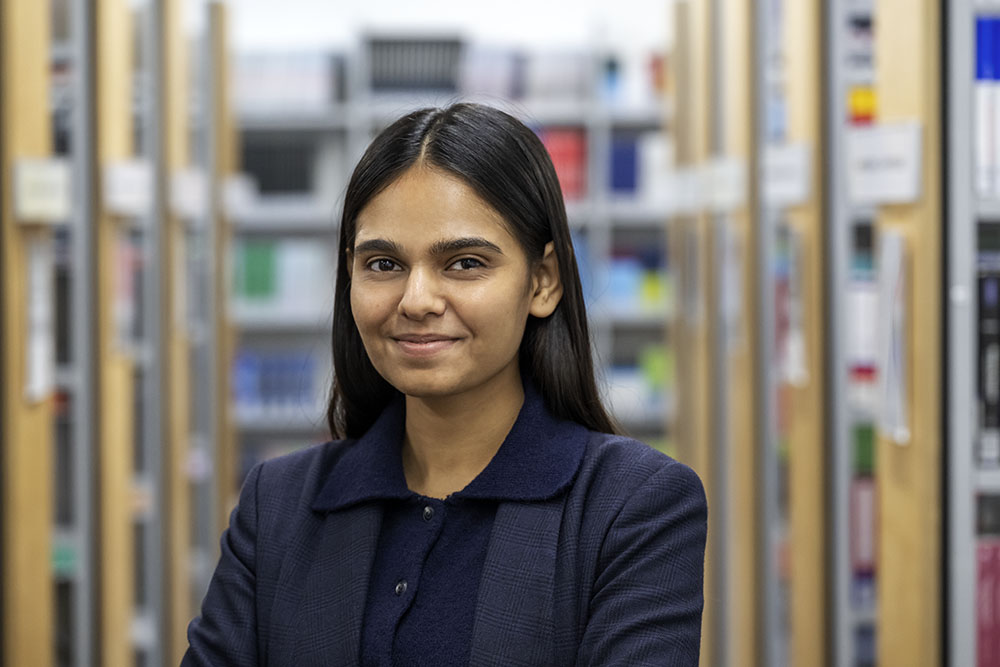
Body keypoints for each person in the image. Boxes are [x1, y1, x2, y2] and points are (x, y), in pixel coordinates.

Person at [182, 102, 707, 666]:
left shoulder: (633, 507)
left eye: (464, 263)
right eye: (383, 264)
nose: (416, 301)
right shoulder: (278, 506)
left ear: (543, 282)